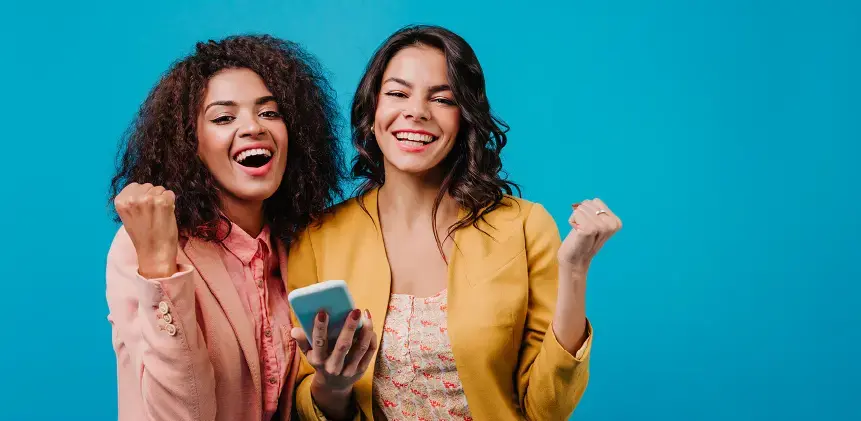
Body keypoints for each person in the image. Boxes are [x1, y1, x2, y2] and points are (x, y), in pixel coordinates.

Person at [286, 25, 622, 421]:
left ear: (464, 119)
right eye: (397, 93)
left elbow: (548, 408)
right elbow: (305, 402)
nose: (417, 111)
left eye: (442, 99)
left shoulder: (524, 227)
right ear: (371, 111)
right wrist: (332, 384)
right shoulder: (317, 239)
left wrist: (575, 271)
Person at [105, 34, 345, 421]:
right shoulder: (142, 246)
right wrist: (160, 270)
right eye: (223, 118)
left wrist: (333, 383)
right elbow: (180, 415)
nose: (253, 127)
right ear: (190, 143)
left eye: (269, 113)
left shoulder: (299, 244)